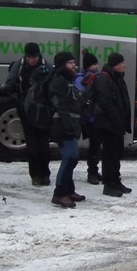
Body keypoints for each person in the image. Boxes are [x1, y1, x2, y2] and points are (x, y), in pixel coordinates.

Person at [2, 42, 53, 186]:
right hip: (26, 108)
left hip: (43, 110)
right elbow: (11, 80)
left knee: (44, 144)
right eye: (29, 57)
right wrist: (8, 88)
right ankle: (35, 175)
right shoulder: (19, 66)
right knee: (31, 144)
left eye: (34, 57)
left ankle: (45, 173)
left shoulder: (46, 66)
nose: (32, 60)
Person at [48, 51, 85, 208]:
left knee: (72, 157)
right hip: (62, 125)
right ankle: (59, 193)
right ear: (62, 65)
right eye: (70, 63)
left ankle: (69, 190)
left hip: (71, 124)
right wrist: (68, 124)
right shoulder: (57, 81)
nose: (73, 65)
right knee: (70, 158)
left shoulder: (68, 80)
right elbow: (59, 105)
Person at [93, 52, 133, 197]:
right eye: (122, 63)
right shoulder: (105, 78)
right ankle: (109, 184)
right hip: (108, 125)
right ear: (115, 65)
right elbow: (105, 102)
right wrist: (116, 118)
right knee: (109, 155)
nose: (124, 65)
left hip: (117, 125)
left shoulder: (117, 77)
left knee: (116, 154)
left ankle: (116, 181)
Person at [77, 51, 103, 185]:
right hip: (88, 117)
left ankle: (93, 171)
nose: (96, 67)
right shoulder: (81, 79)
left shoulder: (97, 77)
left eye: (96, 64)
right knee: (94, 146)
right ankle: (92, 172)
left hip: (95, 116)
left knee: (96, 145)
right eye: (93, 65)